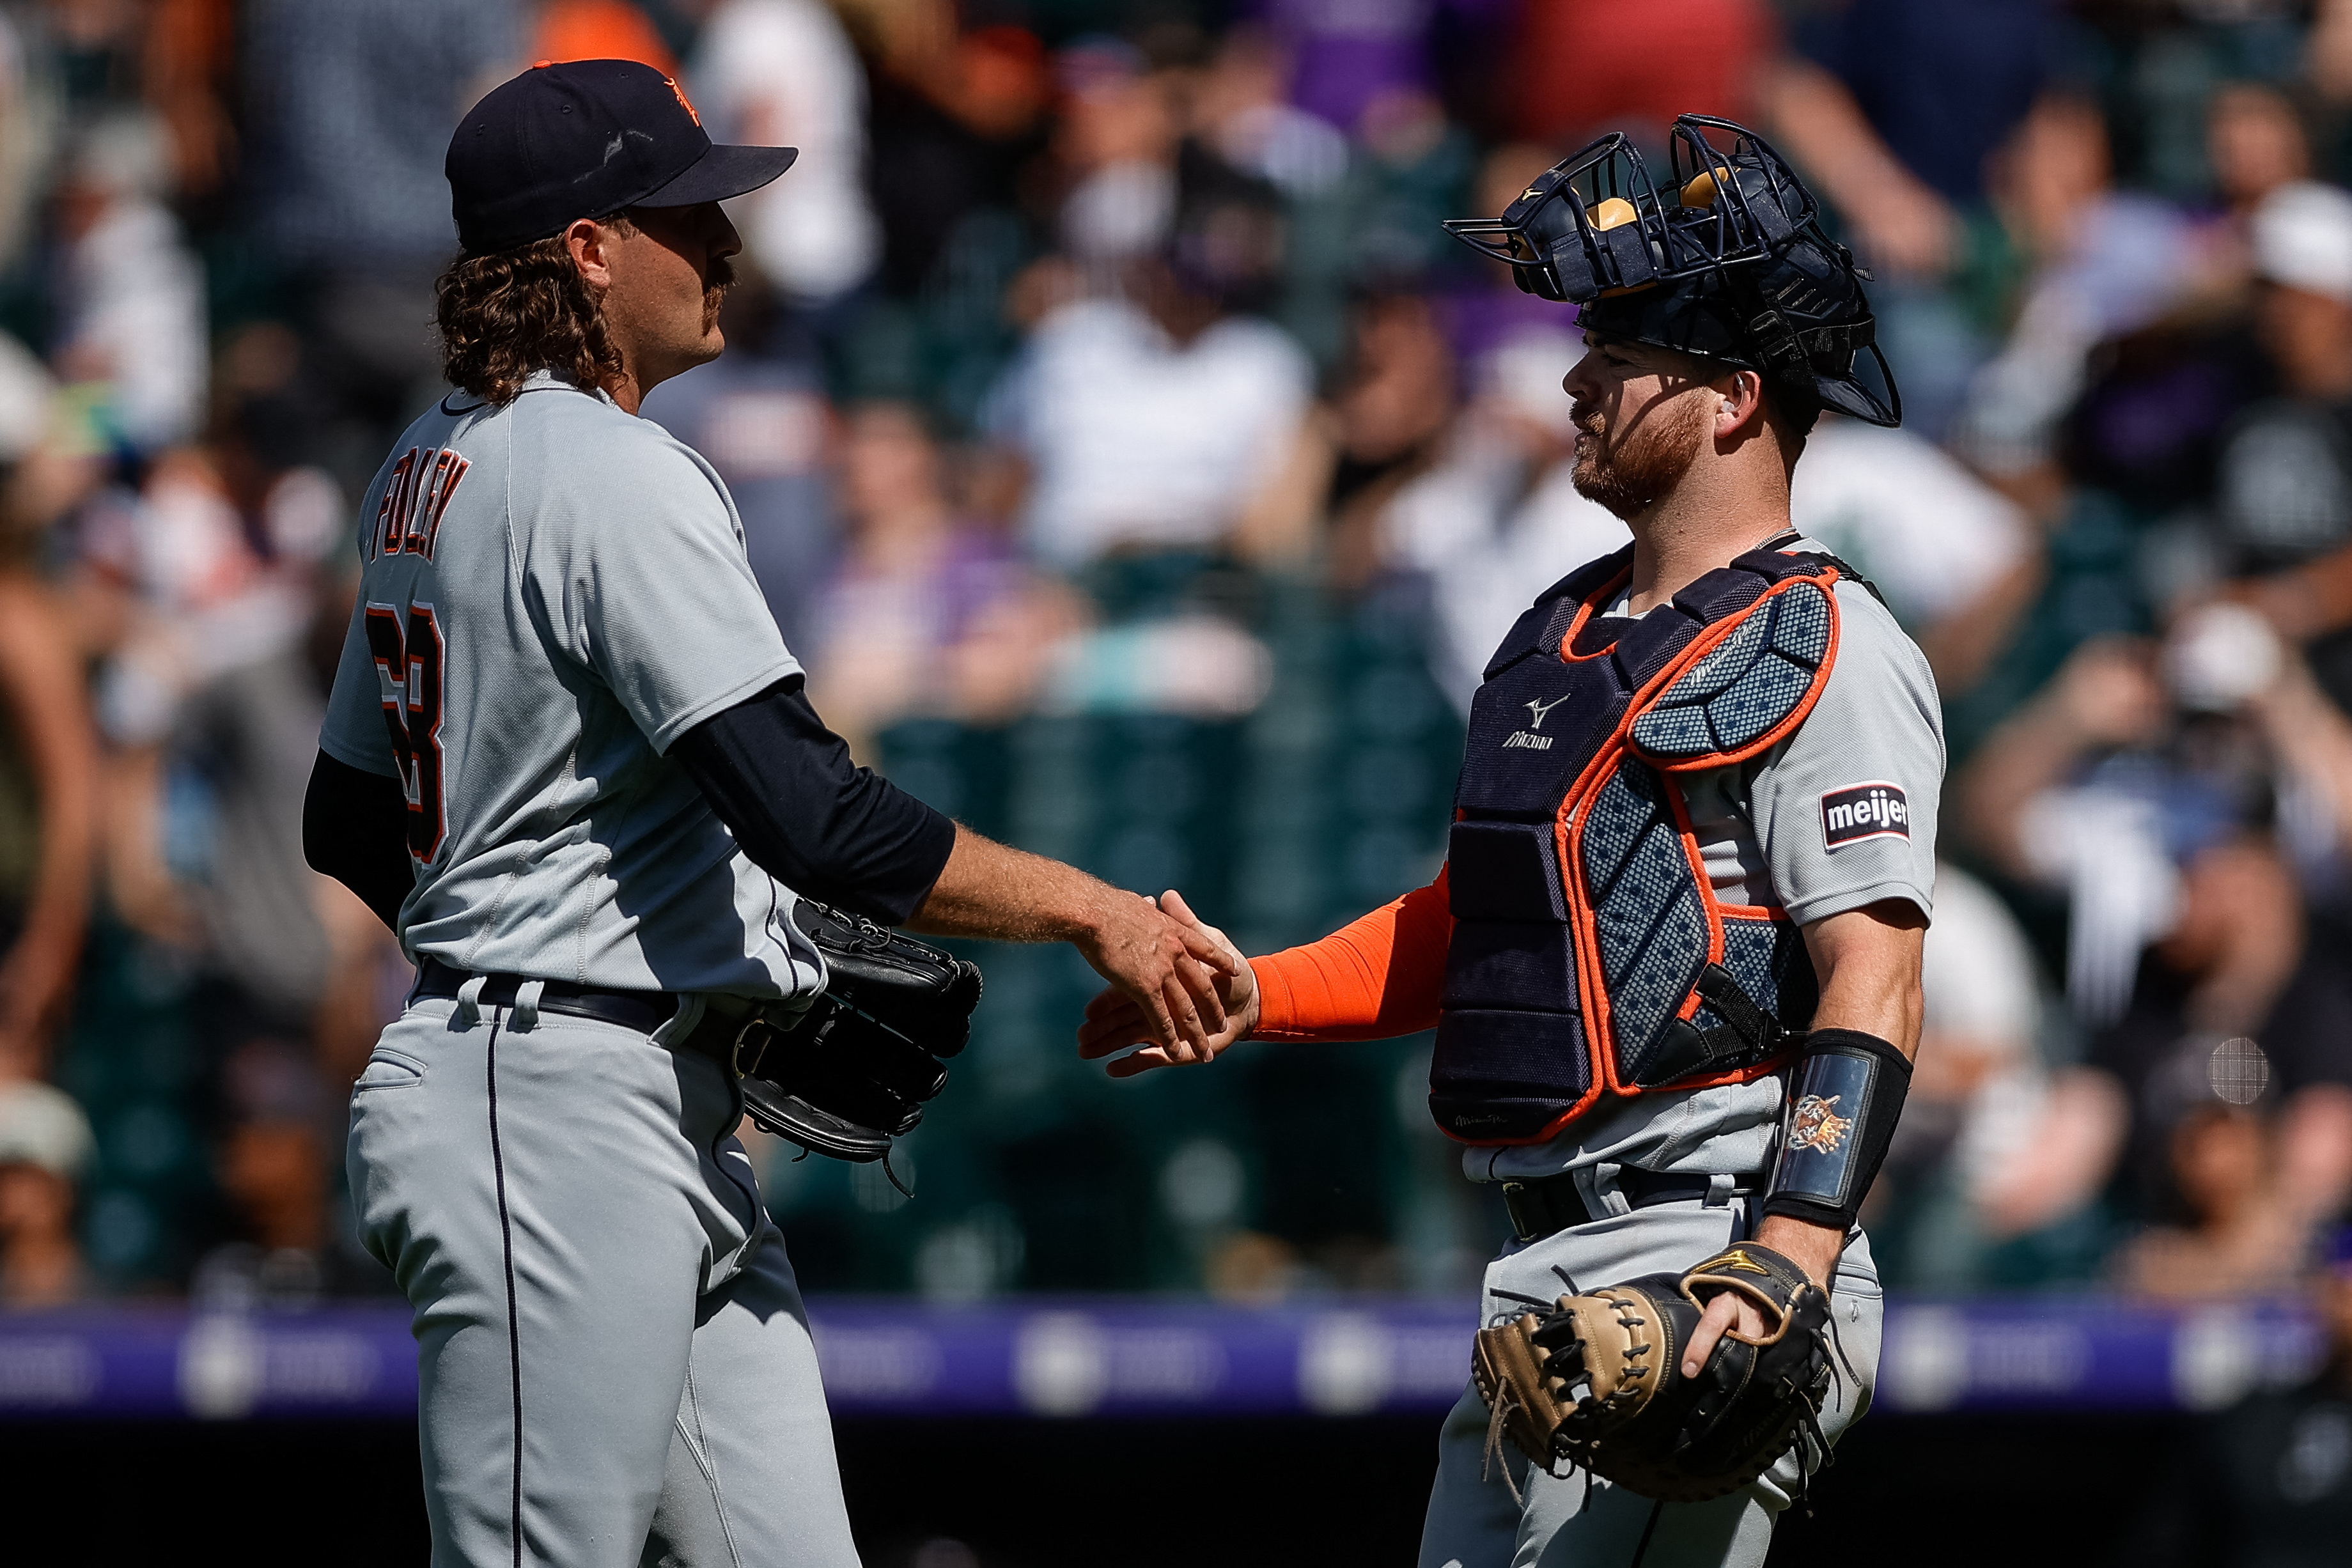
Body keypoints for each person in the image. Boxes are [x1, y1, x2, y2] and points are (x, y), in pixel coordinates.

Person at [300, 61, 1231, 1568]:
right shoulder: (614, 472)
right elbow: (817, 821)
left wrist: (567, 918)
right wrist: (1097, 910)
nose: (728, 244)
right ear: (588, 249)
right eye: (688, 214)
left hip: (626, 1095)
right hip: (550, 1112)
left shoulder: (426, 464)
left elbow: (349, 819)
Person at [1082, 116, 1937, 1568]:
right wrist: (1259, 994)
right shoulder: (1561, 631)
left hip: (1703, 1250)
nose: (1575, 374)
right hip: (1543, 1270)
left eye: (1626, 348)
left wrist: (1783, 1262)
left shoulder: (1828, 641)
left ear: (1734, 396)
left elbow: (1875, 974)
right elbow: (1484, 924)